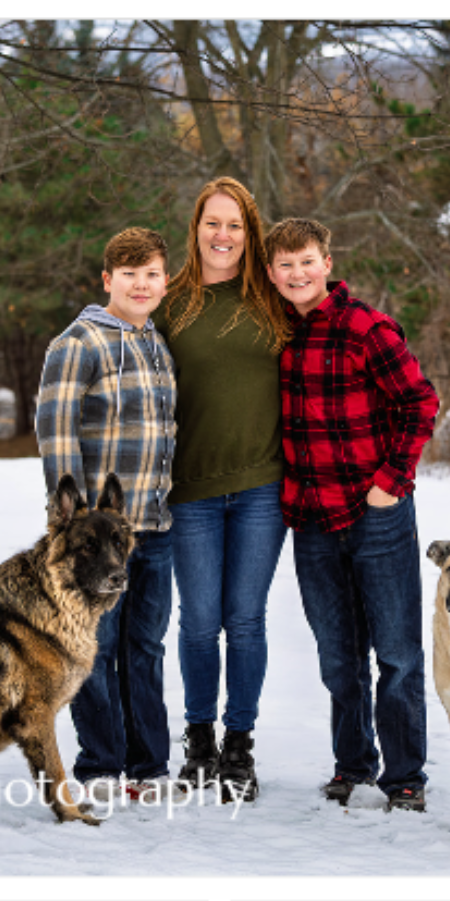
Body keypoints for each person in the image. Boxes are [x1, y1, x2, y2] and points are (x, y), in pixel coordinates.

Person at [266, 215, 440, 813]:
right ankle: (352, 764)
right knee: (338, 657)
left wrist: (393, 481)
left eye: (307, 261)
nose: (297, 273)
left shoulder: (366, 327)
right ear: (271, 272)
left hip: (377, 514)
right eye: (285, 265)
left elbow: (421, 401)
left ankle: (406, 777)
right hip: (312, 518)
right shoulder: (274, 334)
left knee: (396, 654)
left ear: (327, 263)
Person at [159, 178, 294, 804]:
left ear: (251, 232)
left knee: (245, 622)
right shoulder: (172, 301)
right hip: (190, 491)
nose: (223, 235)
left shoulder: (273, 300)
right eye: (213, 223)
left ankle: (239, 747)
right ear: (196, 229)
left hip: (263, 488)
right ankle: (199, 743)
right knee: (197, 623)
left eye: (235, 225)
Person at [34, 225, 179, 800]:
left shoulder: (156, 342)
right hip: (98, 540)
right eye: (129, 276)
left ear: (165, 282)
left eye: (151, 275)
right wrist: (71, 523)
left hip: (154, 528)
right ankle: (100, 766)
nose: (140, 286)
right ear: (108, 280)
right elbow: (55, 429)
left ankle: (148, 768)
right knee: (97, 649)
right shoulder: (79, 342)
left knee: (145, 648)